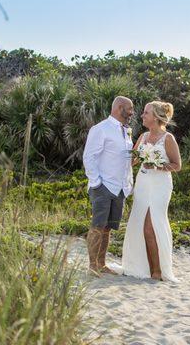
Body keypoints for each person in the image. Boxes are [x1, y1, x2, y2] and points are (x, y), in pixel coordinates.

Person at [121, 101, 182, 282]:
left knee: (152, 225)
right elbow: (131, 160)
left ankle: (157, 271)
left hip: (160, 185)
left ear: (155, 117)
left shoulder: (168, 138)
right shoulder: (143, 136)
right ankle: (144, 268)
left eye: (146, 113)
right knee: (140, 224)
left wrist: (157, 165)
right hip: (143, 183)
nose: (142, 116)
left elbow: (177, 165)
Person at [82, 96, 134, 276]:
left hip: (120, 188)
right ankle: (92, 266)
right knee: (97, 226)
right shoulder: (101, 129)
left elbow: (126, 160)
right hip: (103, 186)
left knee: (107, 228)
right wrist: (97, 182)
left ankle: (101, 264)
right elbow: (89, 157)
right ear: (119, 108)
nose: (132, 112)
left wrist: (128, 184)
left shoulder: (126, 131)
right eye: (130, 108)